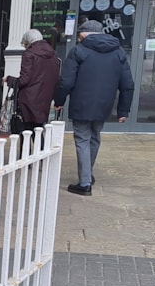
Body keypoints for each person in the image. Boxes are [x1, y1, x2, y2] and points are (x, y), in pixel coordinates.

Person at [53, 19, 135, 196]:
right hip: (104, 104)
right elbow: (127, 84)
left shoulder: (79, 51)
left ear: (83, 35)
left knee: (82, 139)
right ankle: (87, 174)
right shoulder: (118, 52)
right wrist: (123, 110)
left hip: (81, 104)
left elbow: (66, 81)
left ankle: (84, 183)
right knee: (94, 137)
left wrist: (59, 101)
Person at [4, 29, 61, 134]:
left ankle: (27, 151)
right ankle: (41, 150)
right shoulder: (53, 54)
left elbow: (24, 80)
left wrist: (9, 79)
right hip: (45, 98)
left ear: (28, 42)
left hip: (29, 99)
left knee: (26, 132)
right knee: (38, 131)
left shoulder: (29, 54)